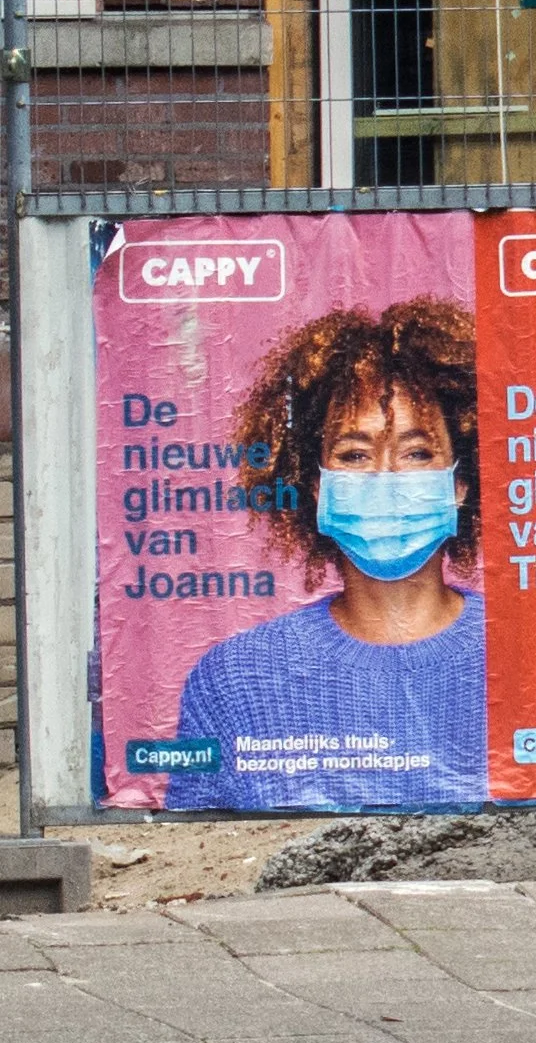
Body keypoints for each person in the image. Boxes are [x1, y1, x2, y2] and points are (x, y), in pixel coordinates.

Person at [165, 299, 485, 810]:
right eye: (354, 454)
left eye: (417, 452)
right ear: (315, 485)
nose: (387, 477)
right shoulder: (235, 678)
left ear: (461, 483)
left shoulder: (523, 656)